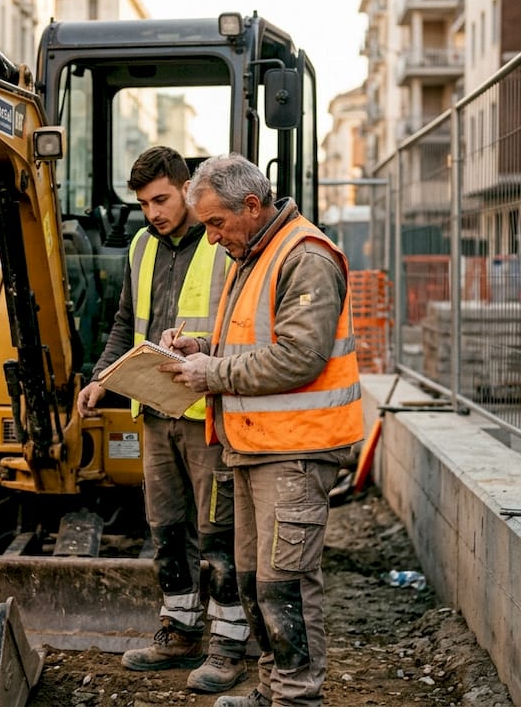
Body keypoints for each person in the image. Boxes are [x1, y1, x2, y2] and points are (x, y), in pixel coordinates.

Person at [160, 153, 364, 707]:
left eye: (215, 224)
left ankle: (296, 698)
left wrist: (213, 373)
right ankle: (273, 688)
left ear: (251, 206)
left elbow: (300, 355)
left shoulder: (305, 256)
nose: (210, 238)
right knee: (254, 580)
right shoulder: (256, 252)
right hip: (255, 447)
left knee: (286, 586)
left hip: (295, 452)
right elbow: (256, 344)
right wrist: (203, 350)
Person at [76, 146, 249, 693]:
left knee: (218, 531)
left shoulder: (222, 241)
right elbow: (127, 321)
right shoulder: (141, 246)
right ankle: (180, 629)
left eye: (161, 199)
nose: (152, 212)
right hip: (155, 411)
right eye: (144, 203)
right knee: (167, 528)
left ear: (184, 188)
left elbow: (243, 326)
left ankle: (228, 643)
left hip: (208, 412)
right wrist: (102, 377)